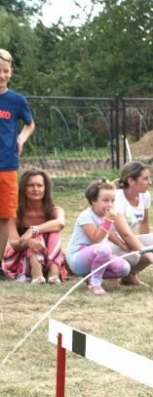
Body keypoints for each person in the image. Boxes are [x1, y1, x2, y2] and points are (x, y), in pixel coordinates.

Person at [0, 49, 35, 281]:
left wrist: (21, 138)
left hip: (7, 166)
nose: (2, 76)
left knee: (4, 216)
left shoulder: (17, 101)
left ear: (11, 72)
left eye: (5, 71)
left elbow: (30, 124)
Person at [66, 180, 132, 296]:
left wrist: (122, 245)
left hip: (98, 253)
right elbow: (96, 239)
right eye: (105, 200)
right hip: (78, 258)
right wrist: (108, 220)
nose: (110, 204)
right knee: (104, 249)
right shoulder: (86, 215)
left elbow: (108, 232)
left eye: (112, 200)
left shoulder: (105, 216)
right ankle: (95, 284)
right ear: (93, 201)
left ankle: (91, 276)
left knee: (124, 268)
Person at [3, 169, 66, 284]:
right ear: (23, 189)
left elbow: (60, 223)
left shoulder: (54, 210)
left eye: (39, 185)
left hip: (47, 254)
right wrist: (28, 242)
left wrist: (33, 230)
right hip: (20, 257)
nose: (35, 189)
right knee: (36, 238)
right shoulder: (15, 213)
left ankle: (53, 274)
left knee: (54, 233)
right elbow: (14, 244)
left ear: (45, 189)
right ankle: (37, 274)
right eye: (31, 185)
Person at [110, 161, 153, 285]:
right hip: (108, 242)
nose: (150, 182)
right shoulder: (116, 198)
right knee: (134, 256)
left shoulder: (145, 196)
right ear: (131, 181)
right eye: (145, 179)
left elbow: (144, 223)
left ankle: (130, 275)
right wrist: (150, 256)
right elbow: (125, 234)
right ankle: (109, 276)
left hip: (125, 241)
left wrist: (149, 249)